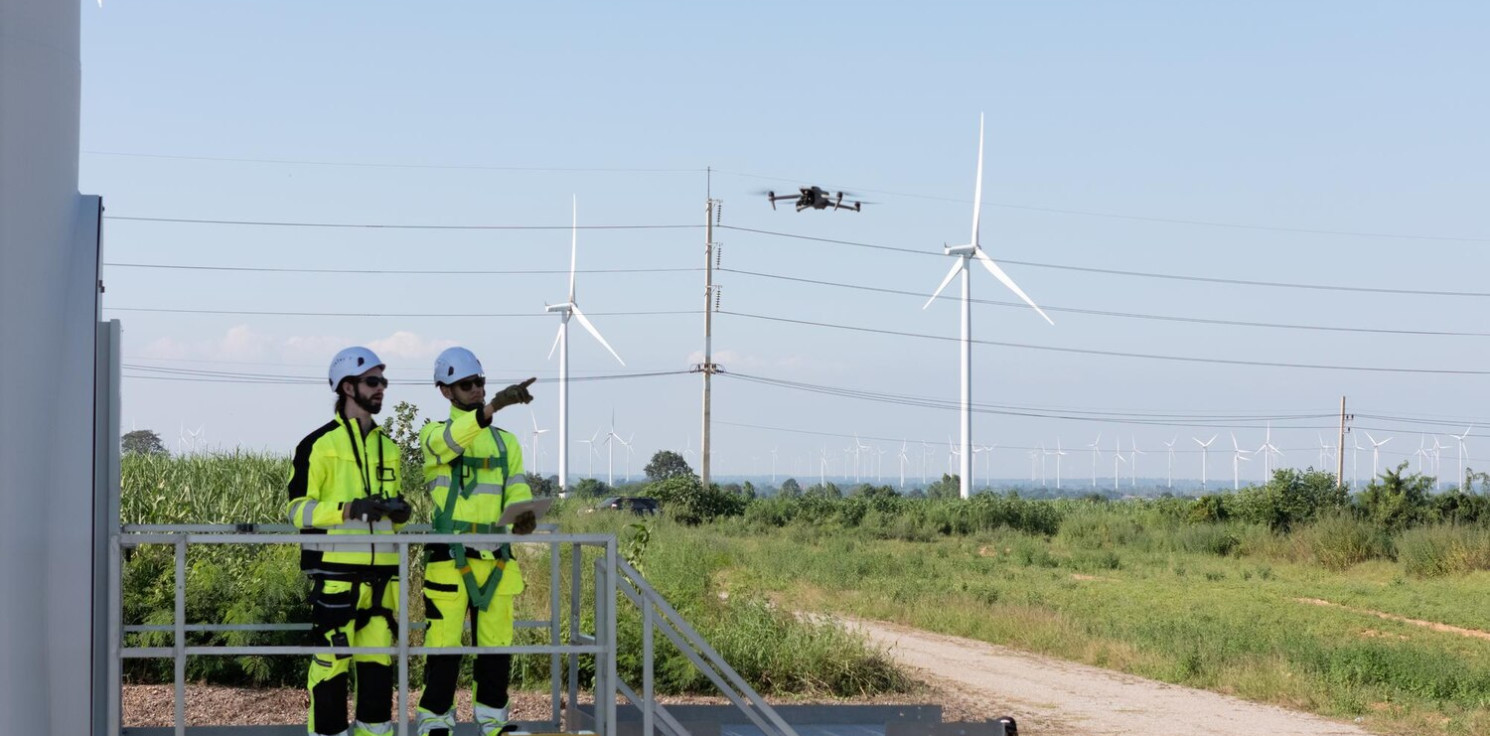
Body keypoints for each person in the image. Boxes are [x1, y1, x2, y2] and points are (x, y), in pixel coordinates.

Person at [286, 346, 412, 736]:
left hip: (384, 580)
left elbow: (389, 510)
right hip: (336, 579)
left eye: (383, 381)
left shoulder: (389, 447)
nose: (381, 388)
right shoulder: (317, 444)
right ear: (347, 386)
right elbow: (298, 511)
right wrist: (347, 510)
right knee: (331, 667)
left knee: (378, 670)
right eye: (373, 381)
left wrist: (399, 512)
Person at [415, 347, 538, 736]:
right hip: (449, 560)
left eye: (480, 382)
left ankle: (493, 722)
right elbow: (452, 440)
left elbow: (515, 487)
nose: (476, 389)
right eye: (466, 384)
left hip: (497, 558)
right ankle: (435, 720)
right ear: (445, 391)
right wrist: (492, 409)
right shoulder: (434, 435)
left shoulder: (506, 443)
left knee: (496, 647)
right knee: (444, 645)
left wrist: (523, 514)